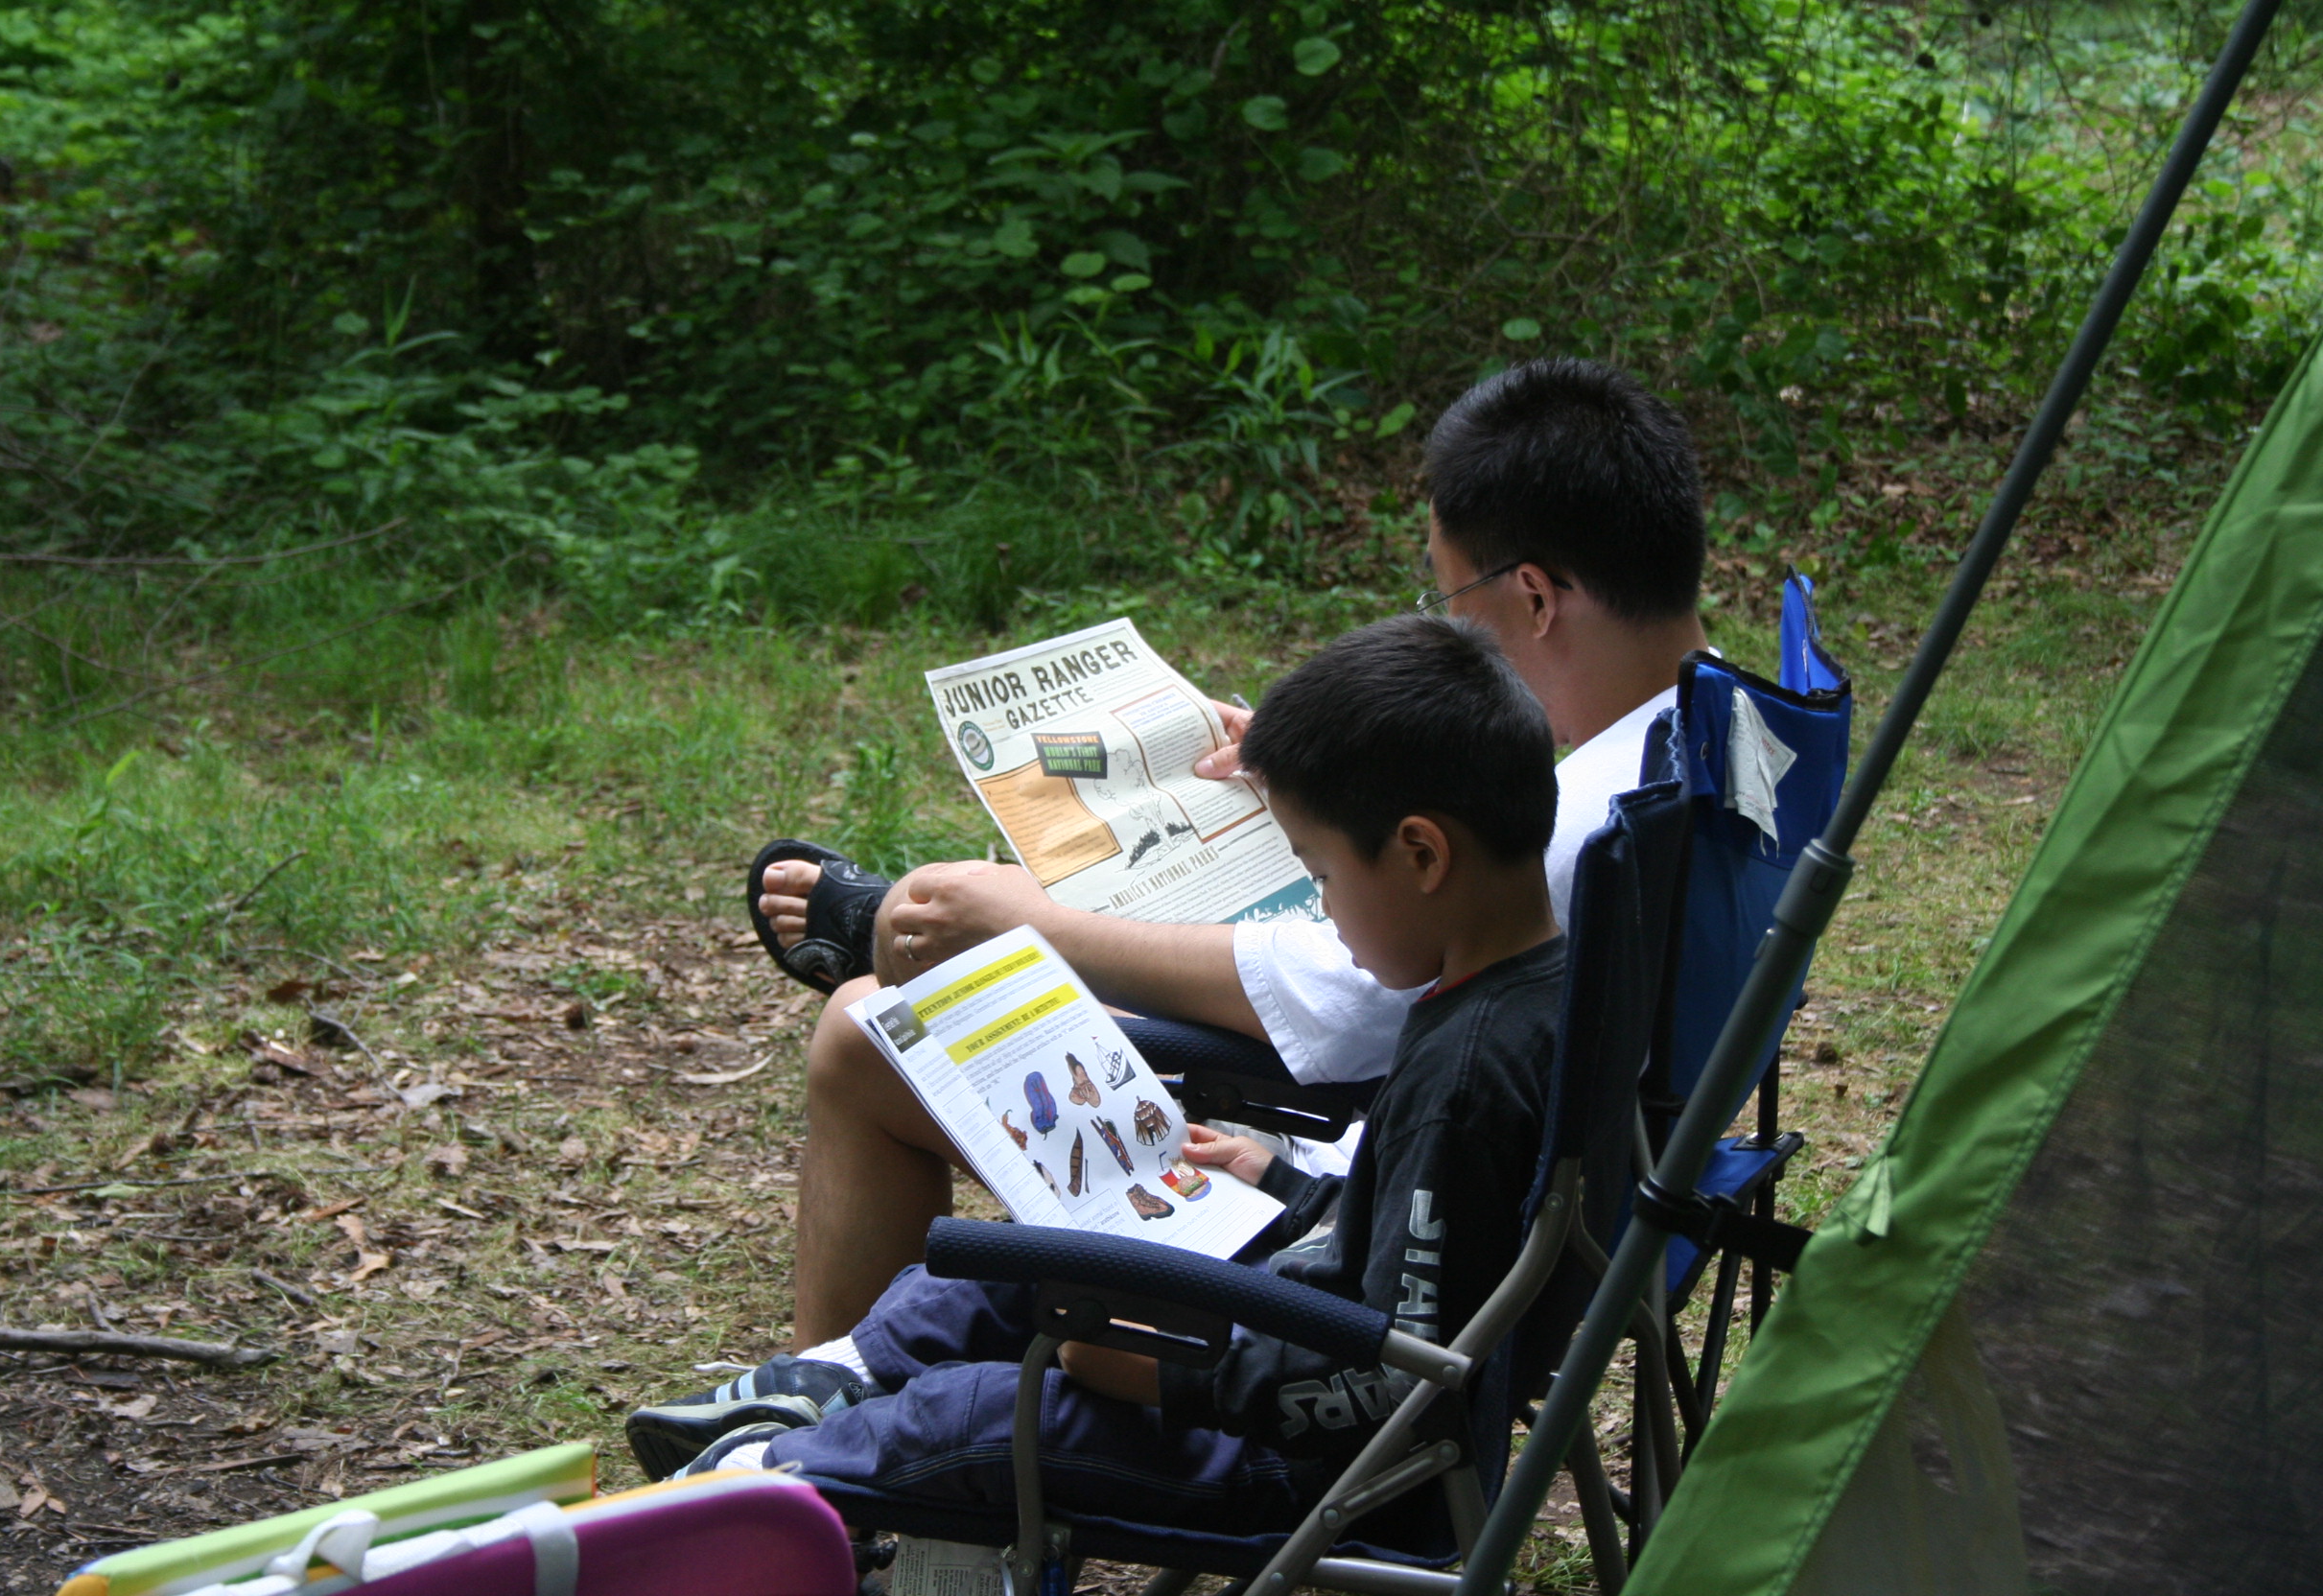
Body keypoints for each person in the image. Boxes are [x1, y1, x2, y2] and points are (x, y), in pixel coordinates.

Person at [766, 357, 1711, 1342]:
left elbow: (1346, 1004)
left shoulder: (1584, 832)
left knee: (866, 1028)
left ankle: (823, 1446)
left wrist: (1040, 926)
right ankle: (935, 927)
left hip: (1340, 1200)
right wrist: (1332, 778)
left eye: (1449, 599)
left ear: (1535, 596)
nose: (1445, 621)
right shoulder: (1714, 739)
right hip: (1551, 1178)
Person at [630, 615, 1569, 1544]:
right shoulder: (1535, 990)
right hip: (1296, 1352)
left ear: (1420, 853)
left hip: (1322, 1462)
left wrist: (1170, 1374)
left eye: (1320, 875)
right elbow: (1427, 1244)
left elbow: (1405, 1372)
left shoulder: (1467, 1071)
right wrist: (1280, 1184)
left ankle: (748, 1489)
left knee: (982, 1413)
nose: (1322, 904)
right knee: (1053, 1256)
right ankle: (829, 1378)